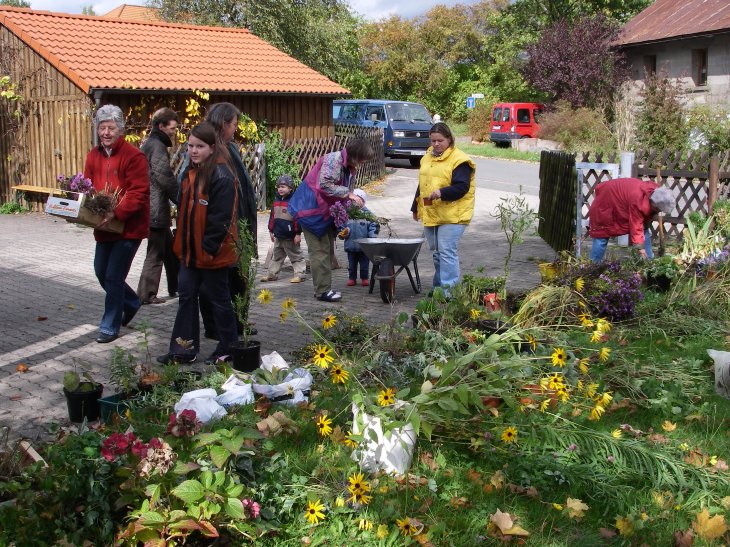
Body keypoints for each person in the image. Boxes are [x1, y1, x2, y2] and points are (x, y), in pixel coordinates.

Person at [158, 122, 240, 365]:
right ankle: (183, 349)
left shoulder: (222, 176)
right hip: (188, 253)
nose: (193, 151)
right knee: (186, 297)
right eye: (190, 146)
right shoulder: (189, 174)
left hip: (212, 254)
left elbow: (221, 219)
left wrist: (208, 249)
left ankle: (228, 347)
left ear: (212, 148)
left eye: (199, 146)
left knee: (219, 300)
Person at [179, 103, 257, 340]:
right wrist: (210, 242)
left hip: (230, 229)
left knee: (232, 283)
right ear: (224, 124)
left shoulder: (227, 148)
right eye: (234, 124)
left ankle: (232, 328)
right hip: (218, 234)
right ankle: (225, 333)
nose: (235, 129)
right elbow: (189, 191)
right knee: (219, 288)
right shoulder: (211, 151)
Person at [84, 104, 150, 344]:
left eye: (111, 128)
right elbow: (88, 186)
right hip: (104, 226)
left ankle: (110, 325)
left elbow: (139, 192)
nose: (106, 133)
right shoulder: (93, 155)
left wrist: (117, 213)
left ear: (120, 129)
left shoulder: (134, 156)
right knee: (102, 272)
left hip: (129, 227)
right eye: (102, 128)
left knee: (113, 276)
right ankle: (131, 302)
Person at [289, 138, 374, 302]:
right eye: (363, 159)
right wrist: (349, 194)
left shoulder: (348, 166)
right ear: (355, 154)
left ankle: (324, 288)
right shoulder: (334, 160)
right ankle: (322, 291)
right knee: (320, 252)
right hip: (311, 210)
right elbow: (324, 185)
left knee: (327, 251)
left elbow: (343, 191)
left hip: (323, 212)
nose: (363, 163)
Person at [411, 122, 475, 294]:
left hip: (454, 214)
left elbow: (462, 187)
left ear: (449, 139)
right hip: (432, 212)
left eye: (440, 140)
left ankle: (448, 292)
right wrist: (415, 207)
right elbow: (422, 185)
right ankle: (439, 286)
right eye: (433, 141)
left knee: (446, 251)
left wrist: (441, 192)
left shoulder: (460, 160)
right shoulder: (427, 158)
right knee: (437, 252)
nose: (437, 144)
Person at [137, 107, 180, 304]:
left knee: (171, 251)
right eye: (172, 128)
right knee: (155, 254)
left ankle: (177, 286)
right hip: (155, 209)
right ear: (161, 126)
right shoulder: (157, 146)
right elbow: (165, 177)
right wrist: (182, 199)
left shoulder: (151, 143)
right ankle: (146, 294)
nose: (175, 131)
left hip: (153, 206)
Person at [589, 178, 675, 262]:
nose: (658, 212)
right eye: (658, 210)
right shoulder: (639, 203)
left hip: (617, 199)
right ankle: (593, 266)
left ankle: (649, 261)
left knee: (644, 228)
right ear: (654, 205)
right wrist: (640, 248)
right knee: (602, 234)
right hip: (604, 205)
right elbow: (636, 227)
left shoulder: (655, 192)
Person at [261, 174, 306, 283]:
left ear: (290, 188)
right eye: (279, 186)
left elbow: (297, 218)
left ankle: (300, 274)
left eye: (284, 186)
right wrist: (271, 230)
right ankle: (272, 274)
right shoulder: (276, 200)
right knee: (276, 257)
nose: (280, 189)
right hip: (278, 235)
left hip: (290, 236)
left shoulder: (293, 201)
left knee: (296, 256)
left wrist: (298, 233)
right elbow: (273, 216)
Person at [344, 188, 379, 287]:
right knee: (351, 265)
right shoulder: (347, 213)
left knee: (364, 265)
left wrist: (372, 237)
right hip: (350, 245)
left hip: (364, 247)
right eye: (352, 201)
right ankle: (352, 278)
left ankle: (364, 278)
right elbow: (341, 225)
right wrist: (342, 232)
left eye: (357, 200)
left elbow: (374, 224)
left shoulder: (367, 214)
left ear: (363, 201)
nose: (354, 203)